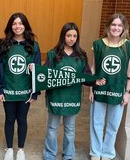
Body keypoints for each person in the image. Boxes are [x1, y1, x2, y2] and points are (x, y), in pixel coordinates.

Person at [43, 23, 105, 160]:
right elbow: (44, 74)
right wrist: (34, 71)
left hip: (72, 98)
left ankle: (68, 155)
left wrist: (95, 81)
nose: (72, 39)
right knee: (52, 129)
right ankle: (49, 155)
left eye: (75, 36)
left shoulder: (81, 56)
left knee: (69, 130)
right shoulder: (53, 54)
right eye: (69, 35)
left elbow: (86, 76)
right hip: (56, 97)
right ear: (63, 36)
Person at [0, 12, 41, 160]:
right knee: (9, 119)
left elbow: (38, 71)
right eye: (14, 23)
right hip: (8, 91)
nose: (17, 26)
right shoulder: (3, 45)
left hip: (25, 91)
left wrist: (35, 92)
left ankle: (20, 149)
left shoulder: (33, 46)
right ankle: (9, 149)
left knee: (22, 120)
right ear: (10, 26)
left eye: (20, 23)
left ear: (25, 25)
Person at [89, 13, 130, 160]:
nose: (116, 28)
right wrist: (90, 89)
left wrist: (127, 92)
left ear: (124, 28)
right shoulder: (98, 44)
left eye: (119, 25)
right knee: (96, 123)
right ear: (108, 26)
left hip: (117, 90)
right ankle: (95, 152)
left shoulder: (129, 46)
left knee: (113, 125)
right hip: (99, 90)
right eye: (113, 25)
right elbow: (93, 69)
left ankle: (108, 153)